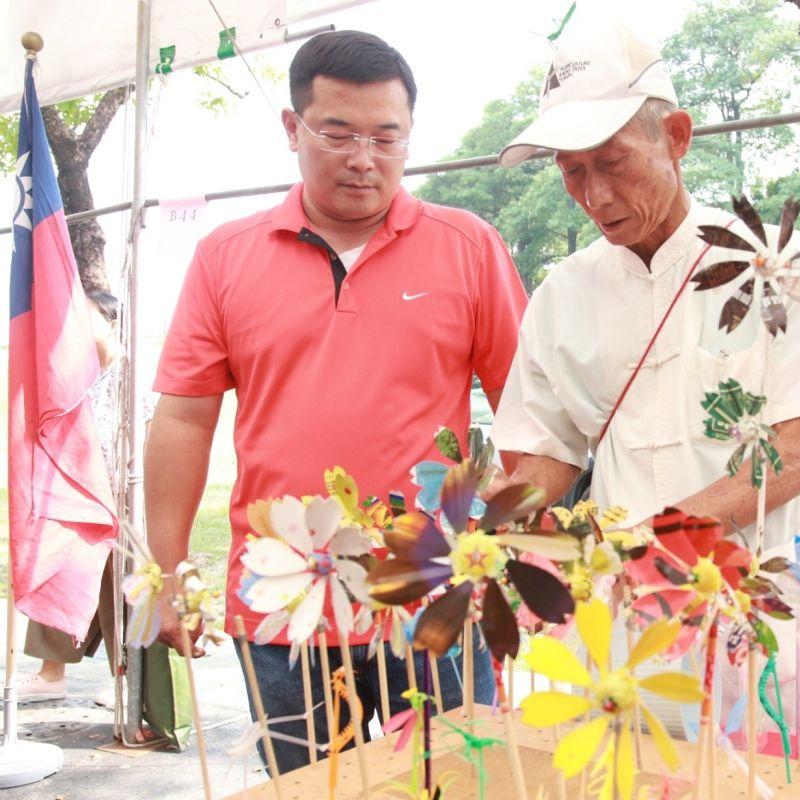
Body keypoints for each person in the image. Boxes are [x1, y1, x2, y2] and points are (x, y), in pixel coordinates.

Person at [146, 31, 521, 772]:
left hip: (435, 599)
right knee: (307, 787)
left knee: (458, 782)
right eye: (339, 133)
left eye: (388, 137)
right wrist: (167, 574)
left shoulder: (469, 246)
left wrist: (512, 548)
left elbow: (528, 410)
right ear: (292, 129)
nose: (364, 158)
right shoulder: (226, 256)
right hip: (283, 602)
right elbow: (185, 418)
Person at [492, 19, 800, 549]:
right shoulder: (562, 295)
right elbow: (547, 449)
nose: (595, 196)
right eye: (572, 171)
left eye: (612, 161)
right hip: (616, 608)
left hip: (749, 598)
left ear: (676, 136)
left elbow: (790, 457)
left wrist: (643, 543)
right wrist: (493, 522)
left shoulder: (786, 265)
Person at [18, 290, 121, 704]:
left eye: (88, 317)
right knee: (59, 568)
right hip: (77, 494)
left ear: (113, 323)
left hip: (123, 495)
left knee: (124, 583)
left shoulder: (135, 375)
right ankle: (50, 673)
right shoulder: (76, 376)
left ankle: (128, 681)